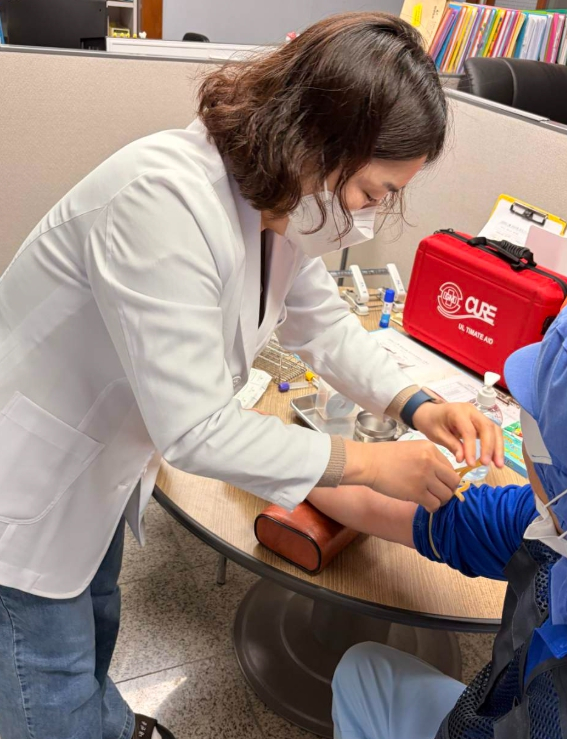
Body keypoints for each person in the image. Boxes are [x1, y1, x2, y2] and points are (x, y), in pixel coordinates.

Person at [0, 13, 503, 739]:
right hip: (26, 484)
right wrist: (371, 463)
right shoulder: (162, 200)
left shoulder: (273, 205)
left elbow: (321, 322)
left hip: (97, 465)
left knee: (95, 613)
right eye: (370, 192)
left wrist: (416, 403)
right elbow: (197, 431)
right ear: (319, 142)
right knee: (42, 674)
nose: (368, 216)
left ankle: (103, 722)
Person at [330, 306, 567, 739]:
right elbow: (381, 509)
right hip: (490, 718)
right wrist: (316, 464)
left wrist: (277, 456)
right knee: (364, 670)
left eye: (532, 411)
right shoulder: (542, 521)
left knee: (363, 675)